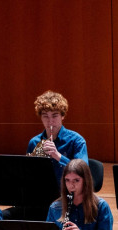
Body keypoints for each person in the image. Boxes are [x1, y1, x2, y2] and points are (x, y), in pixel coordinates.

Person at [19, 90, 88, 220]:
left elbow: (83, 170)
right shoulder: (34, 142)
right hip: (40, 197)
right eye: (45, 116)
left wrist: (58, 156)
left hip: (69, 196)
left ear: (62, 116)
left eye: (55, 116)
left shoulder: (76, 140)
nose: (50, 122)